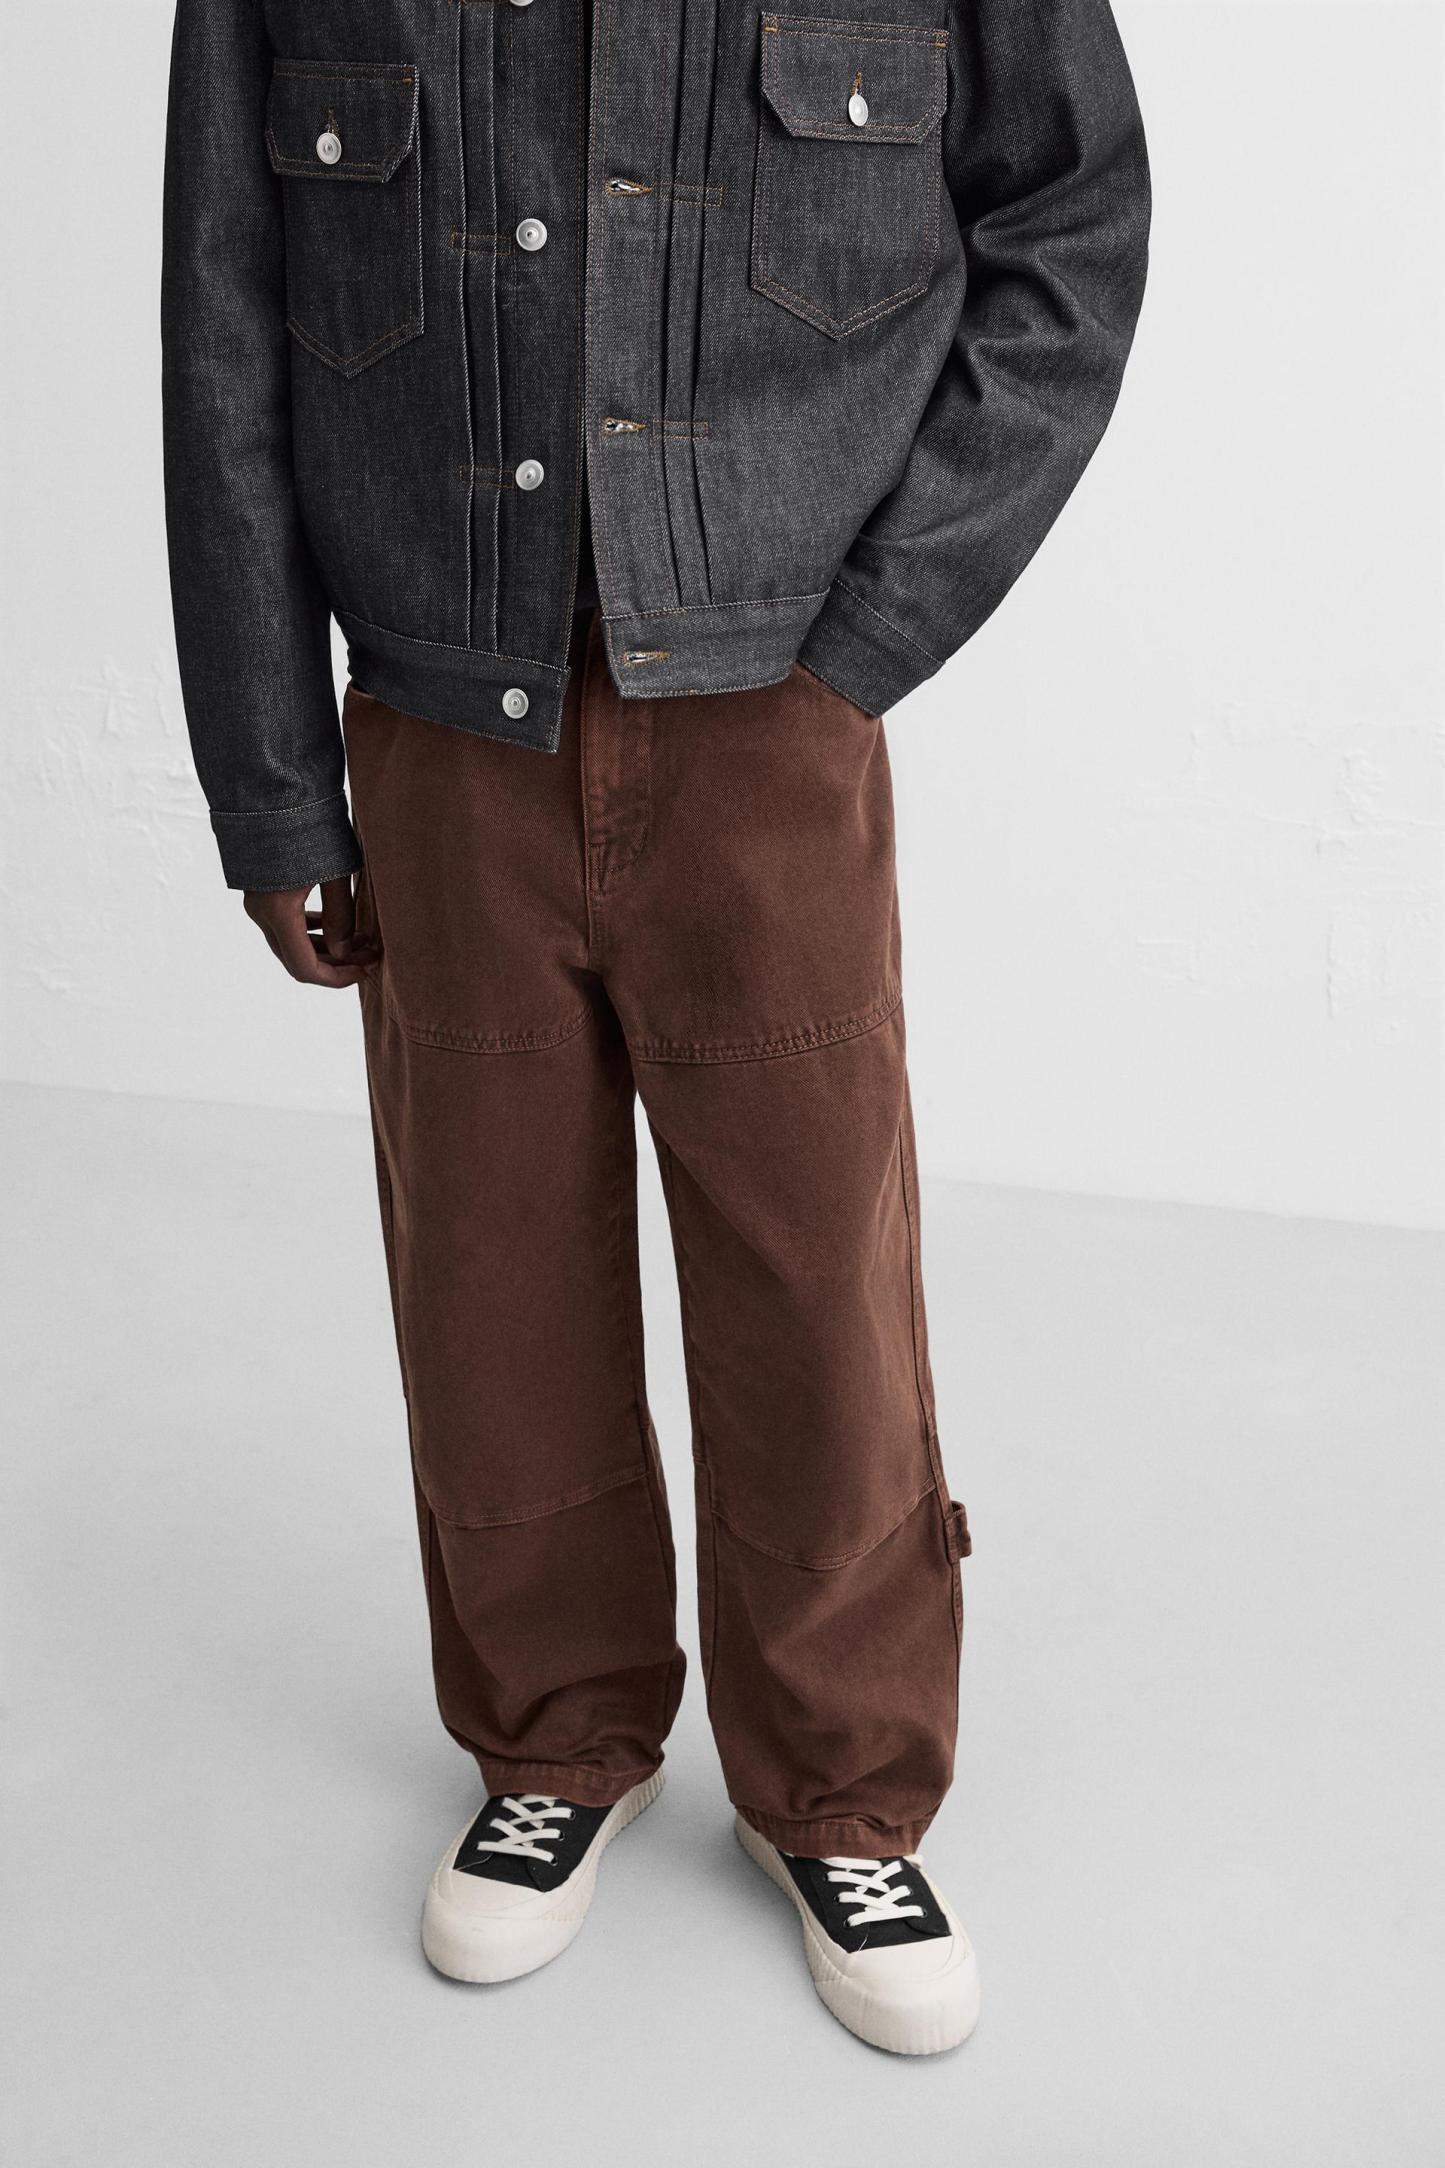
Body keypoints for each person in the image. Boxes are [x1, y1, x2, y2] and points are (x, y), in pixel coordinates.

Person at [161, 0, 1148, 2056]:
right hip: (440, 723)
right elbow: (225, 325)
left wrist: (876, 632)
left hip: (772, 716)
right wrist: (270, 782)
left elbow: (1069, 222)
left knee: (814, 1274)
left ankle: (842, 1786)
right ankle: (554, 1736)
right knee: (488, 1267)